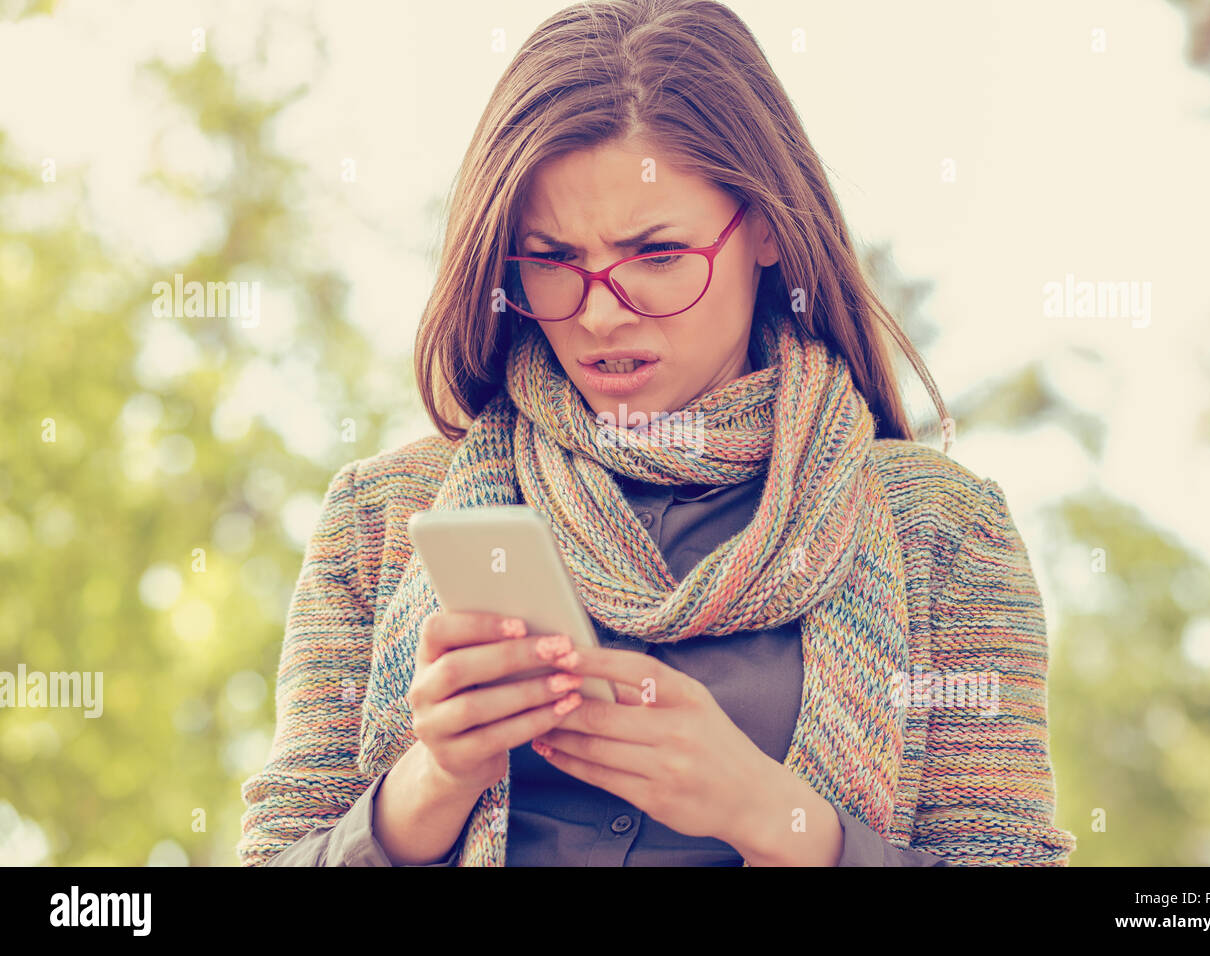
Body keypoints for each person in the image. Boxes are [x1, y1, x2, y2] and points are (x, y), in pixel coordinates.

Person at [237, 0, 1076, 867]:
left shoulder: (939, 530)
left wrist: (772, 814)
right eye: (554, 260)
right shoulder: (385, 520)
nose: (600, 312)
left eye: (658, 256)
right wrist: (431, 784)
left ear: (767, 231)